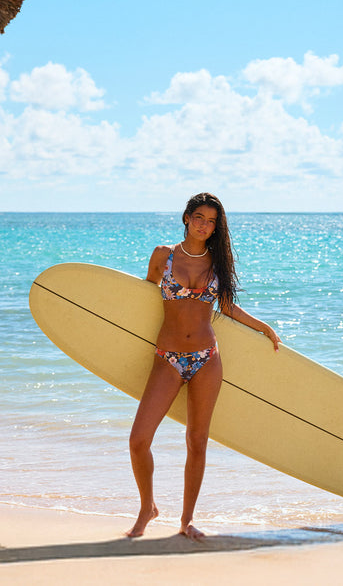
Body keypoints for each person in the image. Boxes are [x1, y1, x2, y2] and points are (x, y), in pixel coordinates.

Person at [127, 192, 280, 540]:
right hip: (167, 357)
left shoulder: (218, 262)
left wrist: (264, 327)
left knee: (197, 441)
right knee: (139, 440)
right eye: (199, 217)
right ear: (185, 218)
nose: (204, 225)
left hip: (206, 359)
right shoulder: (163, 257)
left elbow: (226, 308)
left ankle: (186, 521)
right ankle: (147, 507)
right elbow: (139, 298)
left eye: (211, 221)